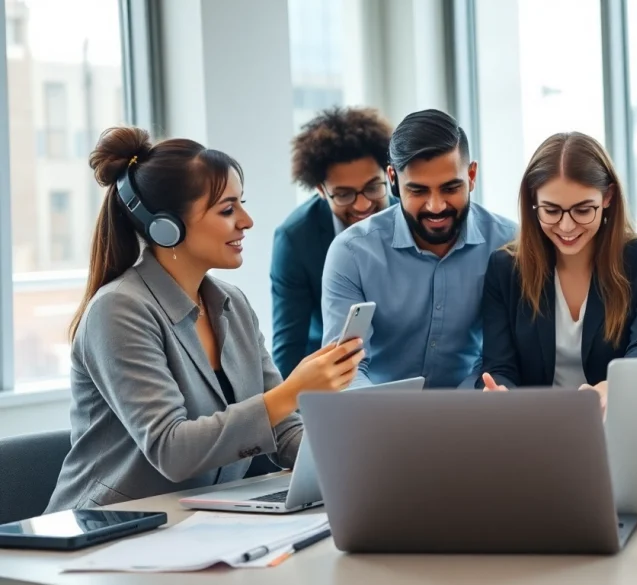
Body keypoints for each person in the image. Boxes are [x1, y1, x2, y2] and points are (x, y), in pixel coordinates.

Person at [46, 127, 364, 512]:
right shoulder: (119, 310)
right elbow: (172, 449)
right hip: (109, 531)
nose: (246, 221)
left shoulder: (233, 304)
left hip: (200, 520)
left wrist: (357, 462)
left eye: (241, 204)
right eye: (227, 209)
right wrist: (292, 391)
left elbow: (281, 430)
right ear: (167, 227)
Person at [321, 109, 517, 388]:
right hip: (380, 417)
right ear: (393, 180)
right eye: (418, 191)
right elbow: (344, 369)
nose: (436, 206)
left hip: (472, 414)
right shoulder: (351, 253)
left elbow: (505, 357)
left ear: (472, 175)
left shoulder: (509, 244)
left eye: (451, 188)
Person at [478, 132, 637, 411]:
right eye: (551, 211)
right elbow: (499, 366)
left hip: (617, 418)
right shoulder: (505, 269)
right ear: (533, 203)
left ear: (608, 197)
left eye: (583, 210)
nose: (567, 227)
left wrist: (610, 387)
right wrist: (498, 392)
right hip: (531, 425)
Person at [271, 106, 396, 378]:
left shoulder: (411, 215)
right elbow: (289, 345)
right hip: (335, 372)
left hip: (401, 368)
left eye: (373, 187)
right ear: (320, 190)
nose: (363, 204)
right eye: (344, 195)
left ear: (389, 175)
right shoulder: (295, 239)